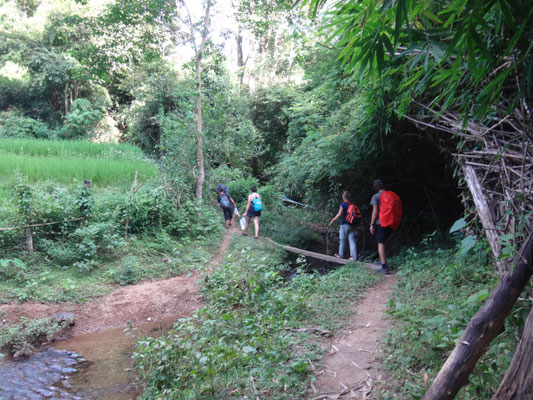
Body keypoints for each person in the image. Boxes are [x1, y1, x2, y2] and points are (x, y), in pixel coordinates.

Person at [369, 179, 392, 274]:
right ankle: (383, 261)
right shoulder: (390, 195)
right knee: (384, 241)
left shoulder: (376, 196)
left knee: (380, 243)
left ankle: (384, 267)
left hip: (381, 222)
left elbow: (375, 212)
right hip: (390, 222)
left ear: (375, 187)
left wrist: (371, 224)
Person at [329, 190, 358, 261]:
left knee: (342, 240)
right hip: (353, 225)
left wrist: (333, 220)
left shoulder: (343, 205)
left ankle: (341, 255)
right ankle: (354, 257)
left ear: (343, 197)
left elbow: (339, 214)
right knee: (352, 240)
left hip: (345, 224)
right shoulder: (353, 205)